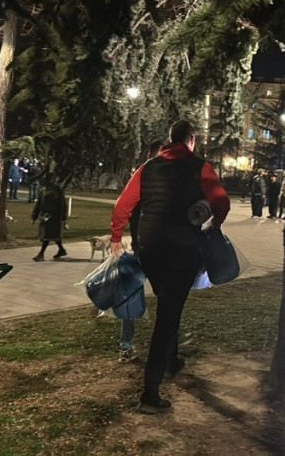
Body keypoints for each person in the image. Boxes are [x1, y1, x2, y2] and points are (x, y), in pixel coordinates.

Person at [109, 120, 229, 414]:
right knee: (168, 316)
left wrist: (115, 237)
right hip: (183, 250)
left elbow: (122, 205)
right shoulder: (200, 167)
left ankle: (172, 362)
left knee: (168, 304)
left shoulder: (147, 168)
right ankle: (150, 393)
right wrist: (213, 224)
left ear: (168, 139)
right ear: (191, 140)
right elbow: (221, 202)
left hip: (151, 249)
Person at [118, 140, 165, 364]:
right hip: (145, 248)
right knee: (132, 295)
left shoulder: (160, 178)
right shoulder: (142, 178)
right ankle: (126, 346)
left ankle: (165, 345)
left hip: (157, 247)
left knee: (164, 297)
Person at [31, 183, 68, 261]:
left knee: (47, 236)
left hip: (55, 216)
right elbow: (39, 204)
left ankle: (41, 254)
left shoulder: (58, 191)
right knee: (50, 235)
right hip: (44, 215)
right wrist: (34, 216)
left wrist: (64, 218)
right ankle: (61, 249)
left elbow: (62, 205)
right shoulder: (43, 190)